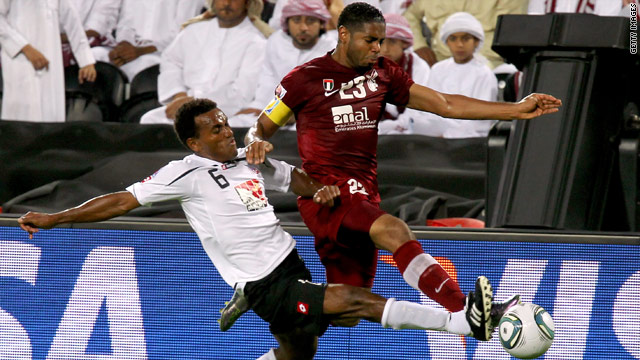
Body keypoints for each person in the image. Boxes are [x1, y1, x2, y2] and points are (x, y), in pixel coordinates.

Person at [18, 98, 509, 359]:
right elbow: (121, 200)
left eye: (227, 123)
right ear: (194, 141)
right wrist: (56, 217)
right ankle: (464, 321)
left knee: (302, 349)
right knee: (355, 301)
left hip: (288, 262)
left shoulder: (246, 160)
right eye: (215, 129)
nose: (227, 131)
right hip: (265, 284)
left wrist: (313, 187)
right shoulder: (183, 172)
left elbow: (294, 179)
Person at [244, 1, 559, 330]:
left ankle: (265, 297)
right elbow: (262, 125)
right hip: (327, 195)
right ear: (343, 34)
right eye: (370, 41)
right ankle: (468, 312)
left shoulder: (383, 73)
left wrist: (515, 109)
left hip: (364, 197)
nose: (377, 48)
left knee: (346, 308)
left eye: (381, 41)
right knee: (395, 230)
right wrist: (256, 141)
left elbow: (445, 104)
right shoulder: (304, 79)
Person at [139, 0, 266, 125]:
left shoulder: (257, 41)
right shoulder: (193, 30)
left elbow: (242, 92)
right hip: (185, 105)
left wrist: (195, 104)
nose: (226, 3)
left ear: (247, 3)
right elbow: (171, 61)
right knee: (150, 120)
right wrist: (179, 95)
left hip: (226, 111)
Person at [228, 0, 335, 128]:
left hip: (312, 119)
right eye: (296, 20)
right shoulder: (276, 42)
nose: (303, 28)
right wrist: (256, 107)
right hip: (272, 112)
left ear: (322, 24)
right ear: (287, 23)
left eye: (311, 21)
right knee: (233, 124)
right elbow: (267, 82)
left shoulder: (333, 50)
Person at [0, 0, 97, 122]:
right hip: (20, 60)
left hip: (50, 63)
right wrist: (25, 48)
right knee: (20, 121)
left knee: (50, 119)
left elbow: (72, 20)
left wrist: (86, 61)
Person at [410, 12, 499, 138]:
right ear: (446, 42)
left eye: (465, 38)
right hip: (435, 138)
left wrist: (449, 135)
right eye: (453, 39)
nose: (459, 44)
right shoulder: (438, 69)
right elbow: (429, 110)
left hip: (469, 141)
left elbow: (480, 122)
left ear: (476, 41)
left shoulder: (484, 74)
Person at [91, 0, 204, 81]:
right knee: (95, 55)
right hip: (131, 48)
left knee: (145, 63)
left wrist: (140, 51)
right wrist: (124, 45)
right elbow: (126, 24)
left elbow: (182, 35)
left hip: (163, 53)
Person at [403, 0, 527, 68]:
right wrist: (418, 45)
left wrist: (464, 60)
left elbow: (511, 30)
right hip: (438, 58)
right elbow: (410, 15)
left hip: (488, 59)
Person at [377, 13, 431, 134]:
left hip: (409, 134)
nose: (385, 49)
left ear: (404, 43)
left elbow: (418, 109)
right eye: (381, 42)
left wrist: (393, 127)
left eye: (392, 42)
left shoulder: (419, 67)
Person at [61, 0, 122, 67]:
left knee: (93, 55)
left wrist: (58, 37)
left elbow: (96, 30)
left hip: (93, 43)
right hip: (57, 41)